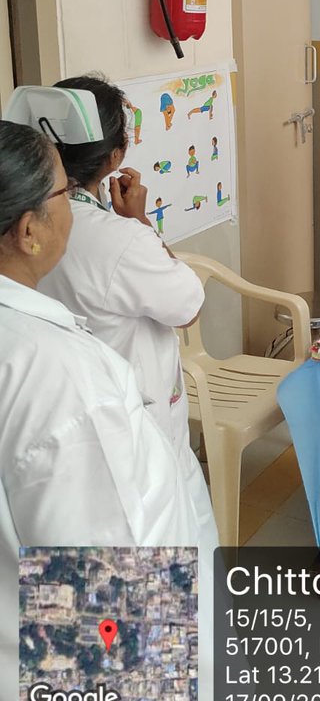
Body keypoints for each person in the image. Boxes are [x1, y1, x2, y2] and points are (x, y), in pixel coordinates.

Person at [0, 119, 202, 701]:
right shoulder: (59, 377)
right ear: (30, 230)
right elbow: (110, 601)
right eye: (66, 196)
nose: (78, 210)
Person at [37, 75, 215, 555]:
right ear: (115, 157)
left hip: (62, 446)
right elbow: (188, 306)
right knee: (168, 568)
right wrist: (137, 223)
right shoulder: (115, 238)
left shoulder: (23, 228)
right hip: (137, 437)